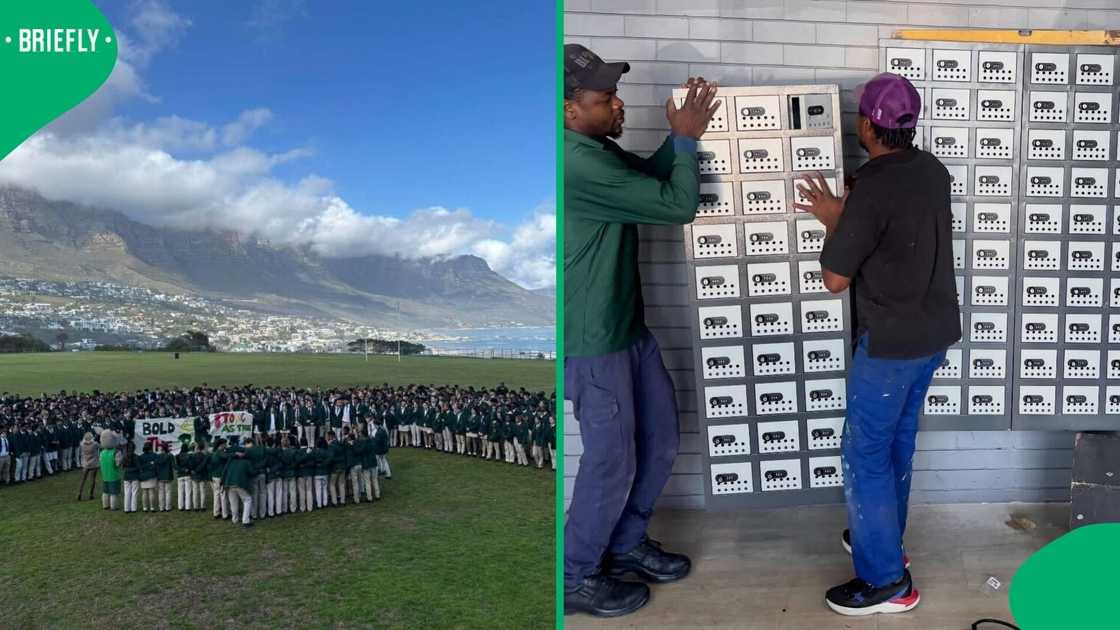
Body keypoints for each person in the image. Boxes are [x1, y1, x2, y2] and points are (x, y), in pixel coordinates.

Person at [794, 72, 961, 617]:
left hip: (889, 346)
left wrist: (834, 221)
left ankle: (887, 580)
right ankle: (884, 538)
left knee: (865, 453)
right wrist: (856, 208)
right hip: (932, 337)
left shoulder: (871, 188)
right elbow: (898, 227)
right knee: (896, 444)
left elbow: (834, 279)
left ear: (866, 125)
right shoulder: (931, 170)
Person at [562, 43, 715, 617]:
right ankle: (574, 575)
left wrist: (678, 137)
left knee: (660, 435)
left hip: (627, 328)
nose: (618, 104)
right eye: (606, 98)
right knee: (610, 460)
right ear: (568, 109)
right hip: (594, 340)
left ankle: (624, 543)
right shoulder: (574, 162)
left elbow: (646, 179)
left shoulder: (594, 150)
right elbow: (676, 205)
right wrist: (686, 140)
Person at [98, 430, 122, 511]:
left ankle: (105, 505)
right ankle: (113, 506)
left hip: (105, 475)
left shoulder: (102, 452)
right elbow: (118, 464)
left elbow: (100, 462)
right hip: (114, 475)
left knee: (105, 492)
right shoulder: (116, 452)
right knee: (113, 493)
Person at [76, 431, 99, 500]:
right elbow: (100, 446)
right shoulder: (95, 444)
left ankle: (79, 493)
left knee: (83, 480)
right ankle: (91, 494)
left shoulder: (82, 444)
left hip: (85, 463)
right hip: (94, 463)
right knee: (92, 480)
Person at [138, 442, 159, 512]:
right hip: (152, 475)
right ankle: (152, 508)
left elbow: (140, 467)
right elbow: (156, 465)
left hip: (143, 476)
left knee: (144, 493)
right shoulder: (155, 455)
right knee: (151, 492)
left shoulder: (140, 457)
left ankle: (145, 508)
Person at [175, 434, 194, 511]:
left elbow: (176, 466)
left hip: (180, 475)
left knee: (180, 492)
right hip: (187, 474)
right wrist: (187, 470)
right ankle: (188, 507)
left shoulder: (177, 456)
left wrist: (181, 470)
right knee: (188, 492)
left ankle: (180, 506)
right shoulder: (189, 456)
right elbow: (191, 465)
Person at [121, 447, 141, 513]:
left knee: (127, 493)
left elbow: (122, 467)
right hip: (135, 476)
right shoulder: (136, 457)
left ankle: (126, 508)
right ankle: (133, 509)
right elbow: (138, 467)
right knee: (134, 493)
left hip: (126, 476)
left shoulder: (124, 457)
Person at [156, 442, 174, 512]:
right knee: (168, 492)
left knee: (161, 492)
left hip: (160, 476)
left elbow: (156, 465)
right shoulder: (170, 455)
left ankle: (161, 507)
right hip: (168, 475)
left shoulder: (158, 456)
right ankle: (168, 507)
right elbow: (173, 465)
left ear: (162, 448)